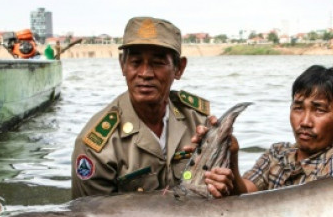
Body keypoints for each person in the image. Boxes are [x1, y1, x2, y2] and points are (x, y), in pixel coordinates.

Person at [71, 16, 233, 197]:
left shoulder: (198, 122)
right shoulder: (97, 145)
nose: (145, 73)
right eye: (135, 62)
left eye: (158, 63)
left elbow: (218, 193)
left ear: (179, 68)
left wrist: (223, 182)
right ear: (122, 66)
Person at [226, 65, 333, 194]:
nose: (305, 122)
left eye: (319, 110)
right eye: (298, 108)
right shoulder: (277, 154)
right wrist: (231, 156)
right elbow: (245, 192)